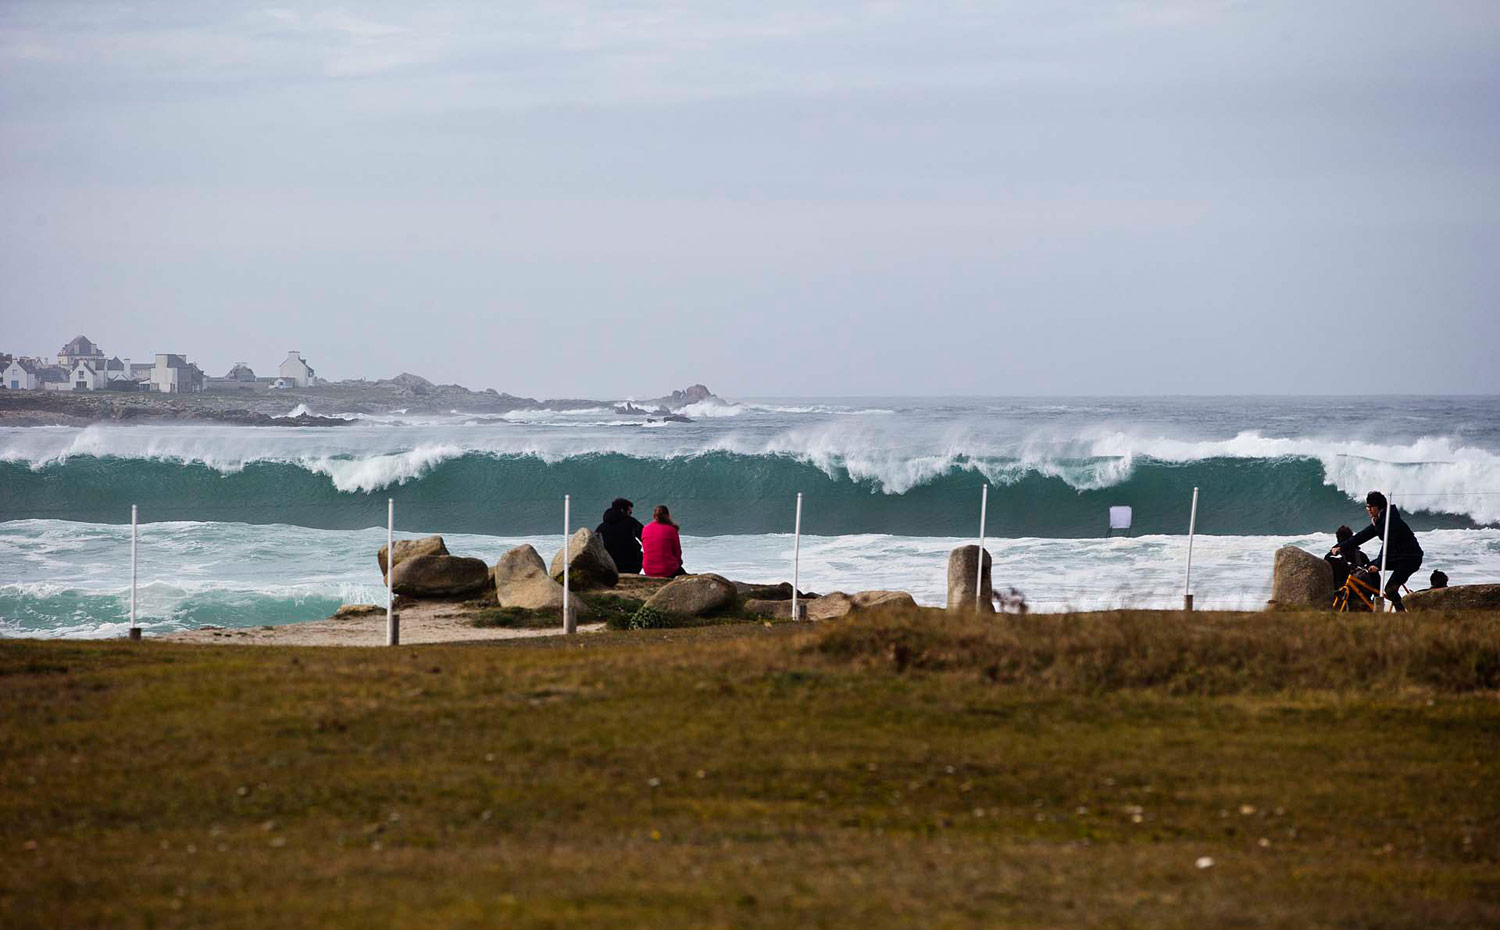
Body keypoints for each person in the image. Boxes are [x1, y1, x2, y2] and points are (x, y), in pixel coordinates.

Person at [1332, 491, 1424, 612]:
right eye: (1367, 506)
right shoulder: (1380, 520)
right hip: (1397, 556)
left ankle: (1402, 614)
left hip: (1410, 558)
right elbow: (1362, 536)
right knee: (1369, 566)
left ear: (1378, 507)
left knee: (1390, 589)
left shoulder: (1391, 521)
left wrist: (1378, 564)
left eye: (1371, 507)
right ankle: (1377, 598)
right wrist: (1341, 546)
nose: (1368, 509)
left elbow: (1388, 544)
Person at [596, 498, 644, 574]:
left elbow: (595, 547)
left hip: (610, 566)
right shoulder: (631, 522)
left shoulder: (601, 527)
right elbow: (646, 536)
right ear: (622, 510)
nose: (631, 512)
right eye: (629, 511)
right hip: (632, 564)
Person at [641, 504, 686, 578]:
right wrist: (678, 563)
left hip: (648, 569)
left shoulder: (645, 528)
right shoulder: (671, 529)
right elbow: (677, 552)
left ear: (654, 516)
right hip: (666, 569)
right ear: (668, 516)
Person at [1324, 525, 1371, 589]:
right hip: (1360, 593)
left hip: (1339, 593)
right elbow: (1371, 573)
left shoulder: (1330, 557)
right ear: (1351, 538)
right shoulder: (1361, 555)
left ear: (1338, 538)